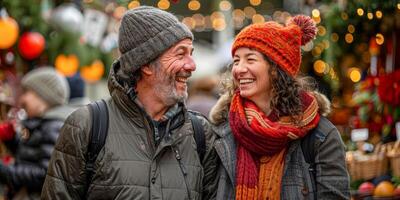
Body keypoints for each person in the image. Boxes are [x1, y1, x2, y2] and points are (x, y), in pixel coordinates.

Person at [41, 6, 218, 200]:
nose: (192, 65)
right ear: (146, 64)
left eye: (191, 53)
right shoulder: (88, 126)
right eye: (180, 54)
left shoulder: (200, 133)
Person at [210, 15, 350, 199]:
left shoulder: (321, 135)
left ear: (276, 70)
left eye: (250, 59)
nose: (239, 69)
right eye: (236, 61)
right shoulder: (221, 130)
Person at [0, 67, 70, 199]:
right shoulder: (41, 124)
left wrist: (6, 172)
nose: (22, 99)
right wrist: (11, 140)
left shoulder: (53, 127)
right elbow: (31, 156)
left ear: (44, 97)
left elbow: (44, 174)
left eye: (27, 92)